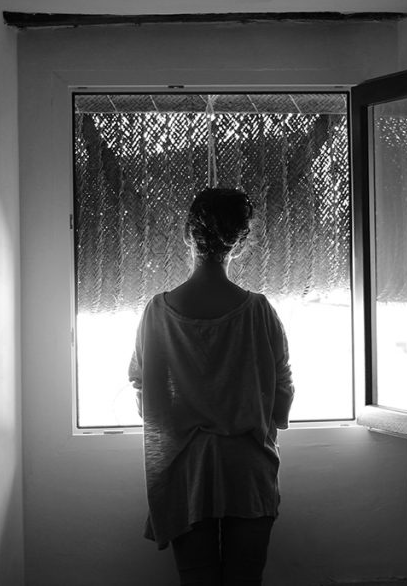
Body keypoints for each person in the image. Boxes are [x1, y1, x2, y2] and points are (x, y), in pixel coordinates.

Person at [128, 187, 294, 586]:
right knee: (244, 578)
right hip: (248, 466)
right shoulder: (259, 311)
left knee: (197, 580)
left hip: (184, 469)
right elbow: (283, 390)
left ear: (188, 234)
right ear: (240, 241)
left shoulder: (157, 312)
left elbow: (142, 390)